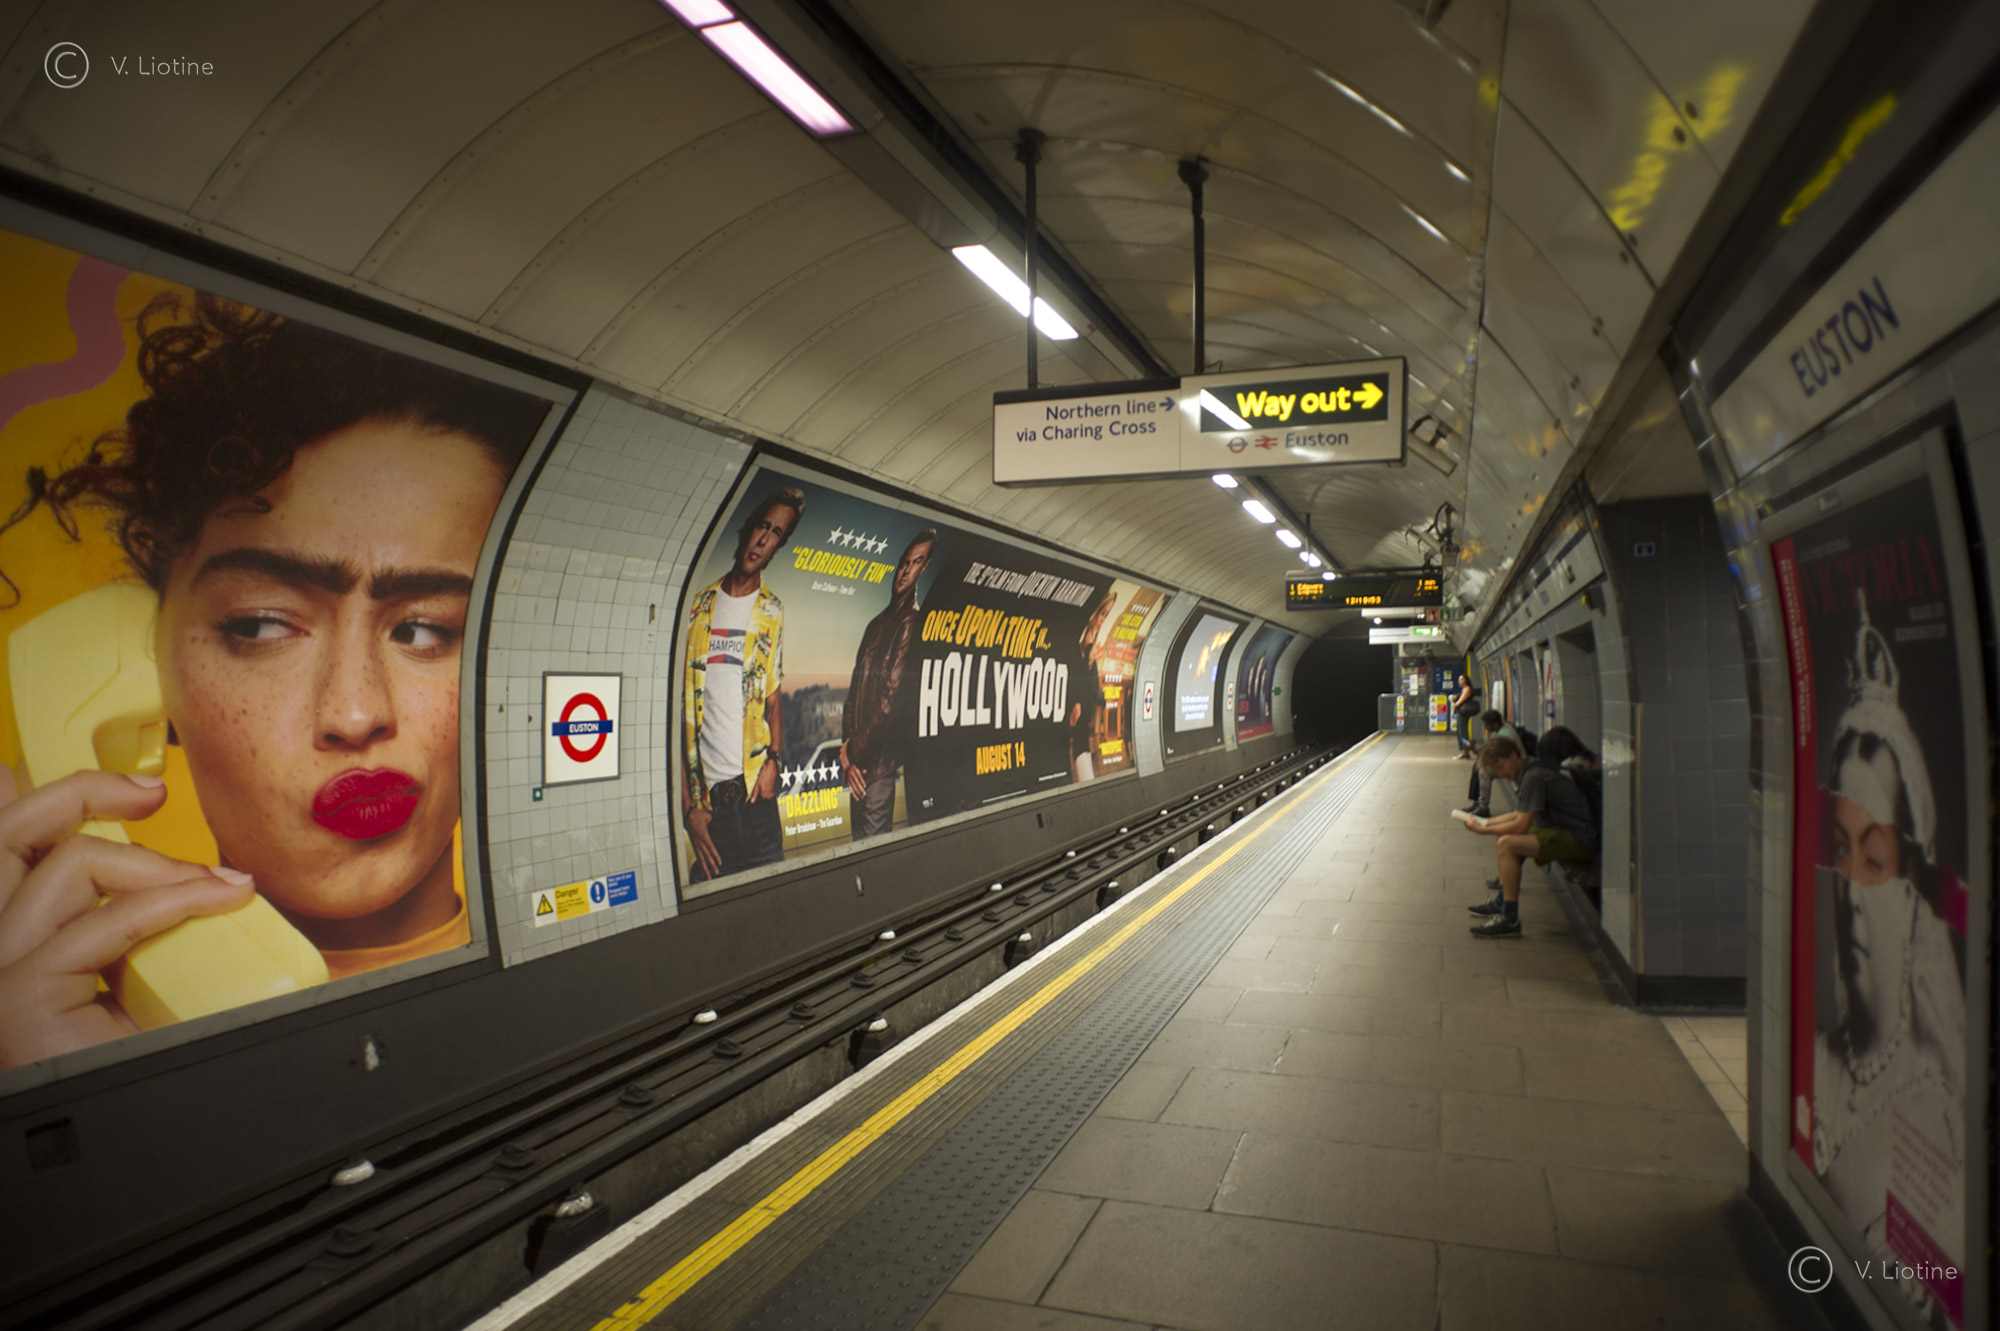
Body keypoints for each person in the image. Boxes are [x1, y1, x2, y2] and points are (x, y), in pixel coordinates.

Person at [0, 290, 545, 1067]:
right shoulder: (37, 1023)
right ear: (150, 668)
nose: (354, 711)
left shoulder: (574, 971)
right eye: (260, 626)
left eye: (425, 630)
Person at [1811, 596, 1965, 1323]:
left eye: (1874, 860)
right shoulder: (1817, 1061)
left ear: (1913, 894)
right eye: (1840, 852)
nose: (1850, 889)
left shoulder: (1941, 1107)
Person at [681, 488, 801, 882]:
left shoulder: (772, 611)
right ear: (749, 528)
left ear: (778, 547)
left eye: (776, 534)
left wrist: (774, 764)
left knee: (775, 906)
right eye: (763, 526)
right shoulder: (697, 608)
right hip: (710, 811)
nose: (764, 540)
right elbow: (677, 721)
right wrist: (688, 809)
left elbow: (774, 702)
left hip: (757, 805)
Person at [838, 529, 935, 838]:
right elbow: (853, 695)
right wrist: (847, 751)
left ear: (924, 568)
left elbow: (890, 702)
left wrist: (853, 753)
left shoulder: (911, 622)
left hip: (879, 769)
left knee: (872, 852)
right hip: (858, 767)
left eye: (916, 563)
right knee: (860, 852)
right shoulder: (875, 625)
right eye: (904, 562)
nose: (906, 570)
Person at [1462, 732, 1597, 938]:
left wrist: (1482, 830)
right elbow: (1519, 812)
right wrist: (1486, 822)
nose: (1501, 774)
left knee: (1508, 843)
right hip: (1566, 830)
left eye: (1501, 766)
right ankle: (1502, 901)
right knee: (1505, 838)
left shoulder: (1533, 777)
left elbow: (1521, 824)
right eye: (1496, 770)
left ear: (1514, 755)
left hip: (1579, 838)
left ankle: (1509, 919)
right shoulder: (1530, 768)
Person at [1066, 590, 1116, 781]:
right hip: (1077, 714)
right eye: (1102, 613)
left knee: (1083, 752)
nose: (1102, 619)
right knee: (1082, 755)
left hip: (1084, 715)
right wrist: (1075, 702)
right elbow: (1076, 678)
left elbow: (1092, 686)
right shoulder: (1080, 643)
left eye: (1106, 615)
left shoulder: (1092, 647)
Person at [1461, 708, 1518, 817]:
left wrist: (1474, 749)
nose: (1485, 727)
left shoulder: (1503, 736)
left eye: (1487, 725)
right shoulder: (1506, 727)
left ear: (1495, 724)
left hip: (1514, 766)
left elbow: (1489, 758)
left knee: (1484, 770)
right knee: (1478, 764)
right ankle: (1477, 803)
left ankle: (1483, 807)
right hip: (1511, 762)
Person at [1452, 673, 1479, 757]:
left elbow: (1459, 702)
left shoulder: (1467, 689)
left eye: (1461, 679)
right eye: (1459, 680)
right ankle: (1466, 750)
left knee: (1463, 733)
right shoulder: (1463, 689)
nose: (1459, 681)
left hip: (1463, 713)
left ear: (1466, 680)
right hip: (1461, 713)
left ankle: (1467, 750)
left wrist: (1453, 701)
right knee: (1460, 732)